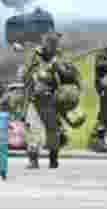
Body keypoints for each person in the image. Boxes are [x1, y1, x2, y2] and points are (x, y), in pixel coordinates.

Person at [19, 31, 70, 169]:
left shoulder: (59, 57)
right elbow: (26, 77)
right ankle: (33, 160)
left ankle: (53, 159)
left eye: (54, 44)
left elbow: (68, 75)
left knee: (53, 130)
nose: (52, 46)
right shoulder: (35, 55)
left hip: (50, 99)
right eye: (50, 43)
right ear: (45, 43)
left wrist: (58, 68)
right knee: (32, 129)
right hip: (34, 98)